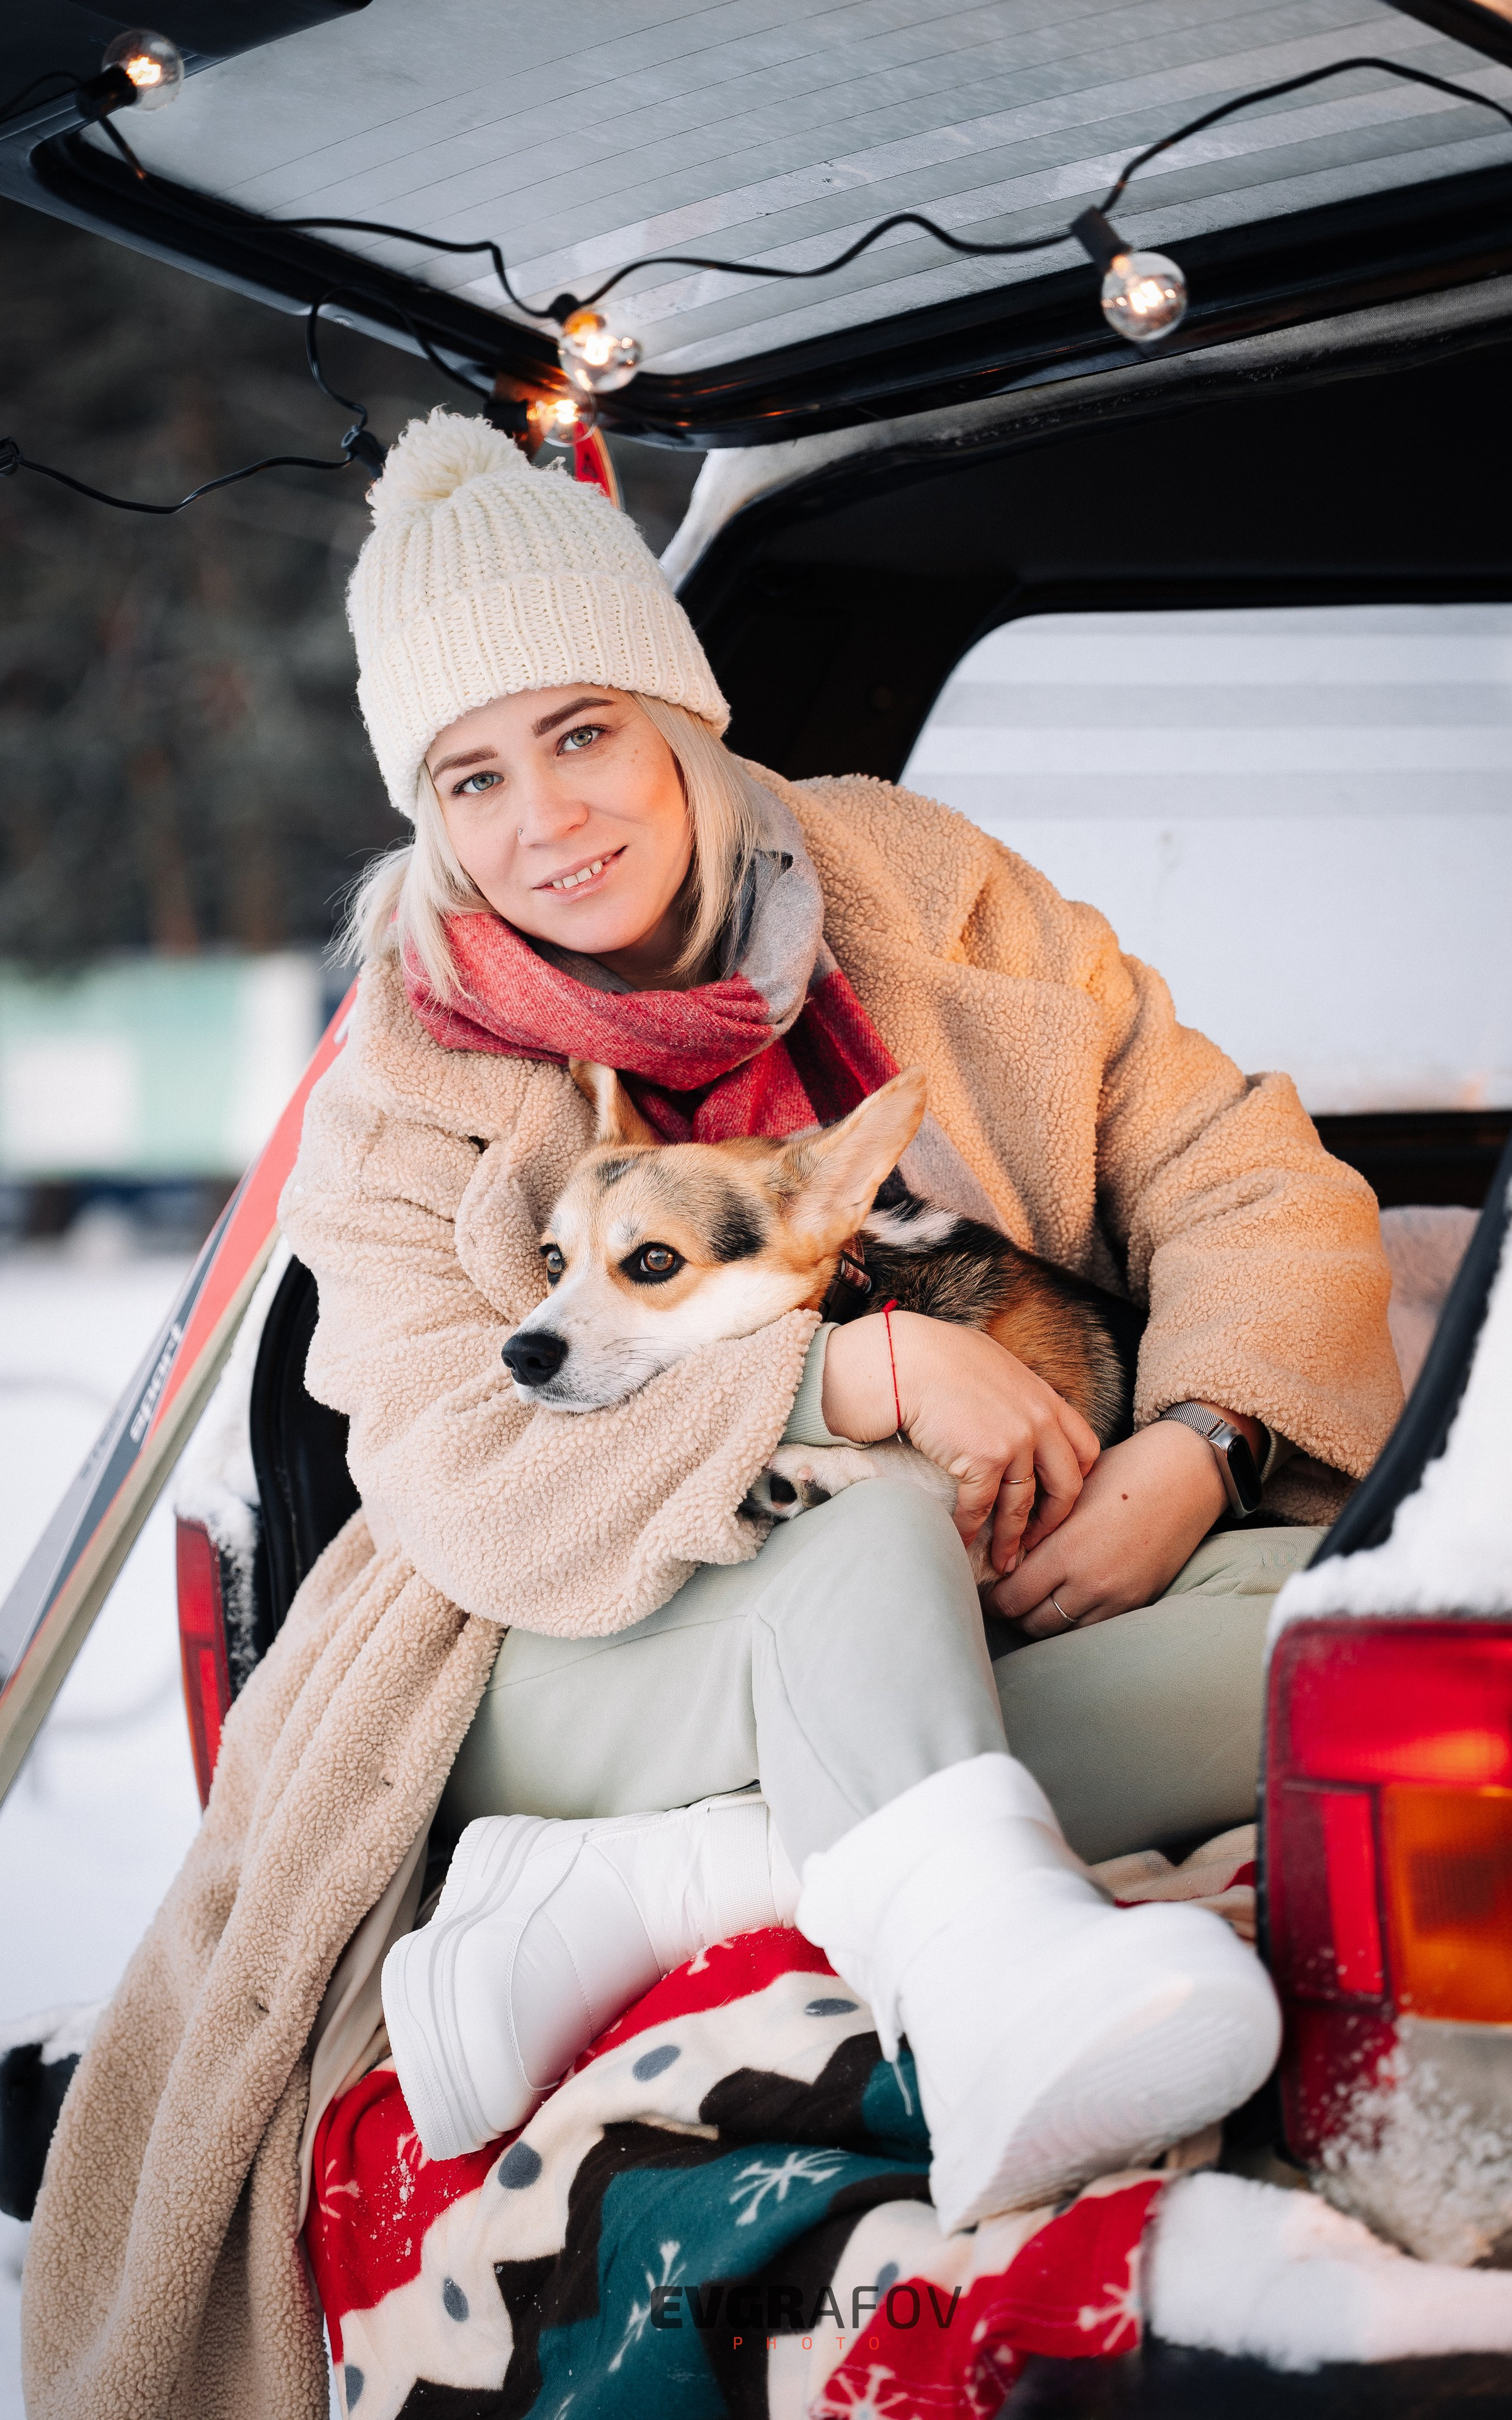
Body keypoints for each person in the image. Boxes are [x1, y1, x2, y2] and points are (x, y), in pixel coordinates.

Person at [22, 410, 1400, 2416]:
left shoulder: (921, 897)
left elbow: (1245, 1174)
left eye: (583, 733)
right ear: (426, 815)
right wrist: (858, 1366)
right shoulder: (403, 1095)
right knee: (867, 1527)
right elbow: (467, 1487)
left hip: (954, 1604)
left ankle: (670, 1885)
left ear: (680, 715)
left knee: (1328, 1633)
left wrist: (1197, 1453)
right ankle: (996, 1997)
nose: (546, 822)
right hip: (530, 1657)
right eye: (470, 778)